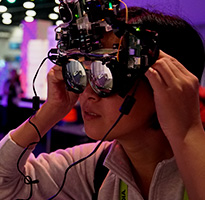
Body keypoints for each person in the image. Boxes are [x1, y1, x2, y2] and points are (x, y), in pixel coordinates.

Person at [0, 6, 205, 200]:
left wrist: (188, 134)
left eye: (105, 75)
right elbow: (5, 187)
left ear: (167, 85)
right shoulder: (97, 165)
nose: (87, 93)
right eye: (83, 74)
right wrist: (51, 110)